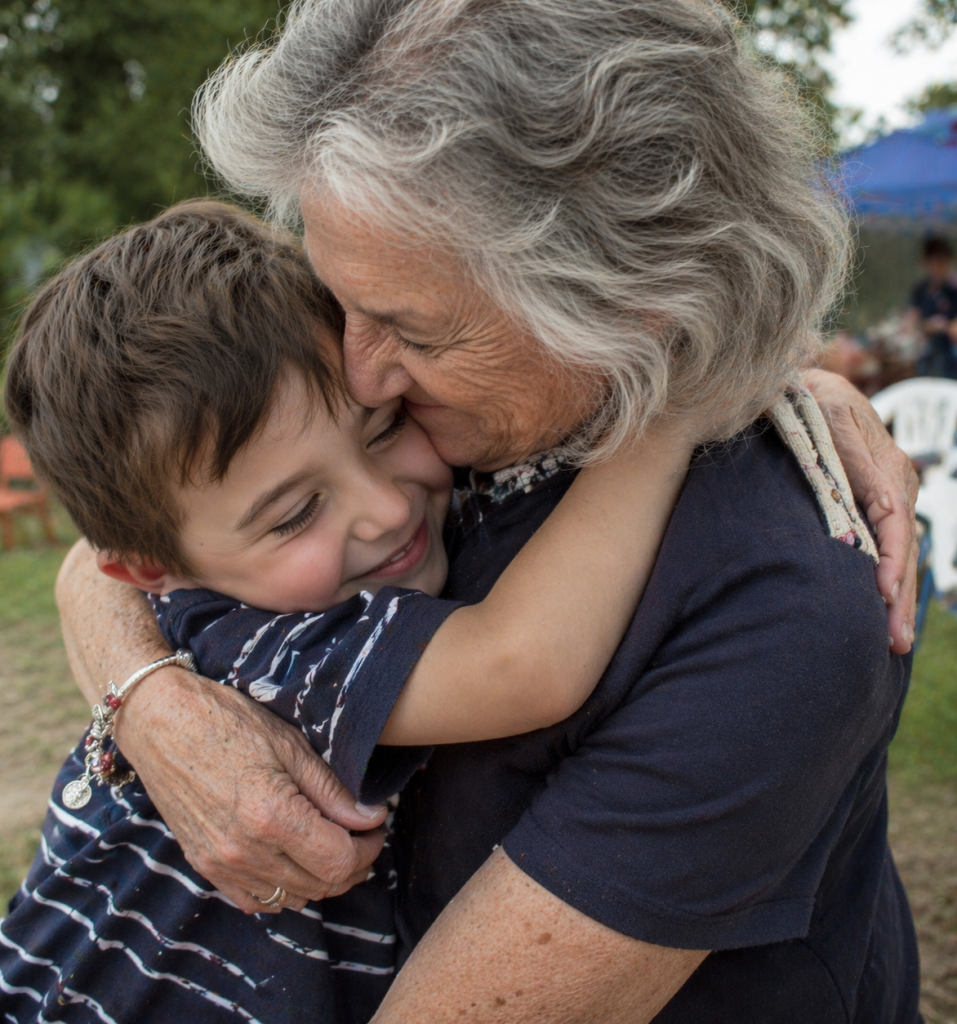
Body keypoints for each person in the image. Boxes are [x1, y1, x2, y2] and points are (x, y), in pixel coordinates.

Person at [55, 1, 924, 1021]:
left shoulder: (775, 605)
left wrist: (711, 377)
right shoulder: (457, 434)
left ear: (620, 301)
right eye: (343, 304)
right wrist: (150, 700)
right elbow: (137, 545)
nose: (359, 376)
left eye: (410, 330)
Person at [0, 200, 697, 1023]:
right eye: (297, 513)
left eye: (382, 430)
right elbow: (522, 665)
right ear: (150, 571)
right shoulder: (262, 646)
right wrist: (669, 412)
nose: (385, 508)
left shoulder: (251, 570)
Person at [906, 236, 957, 379]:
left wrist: (944, 326)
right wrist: (923, 326)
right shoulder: (920, 290)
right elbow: (911, 321)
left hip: (951, 355)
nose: (936, 267)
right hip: (926, 355)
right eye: (932, 261)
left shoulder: (953, 288)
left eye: (940, 261)